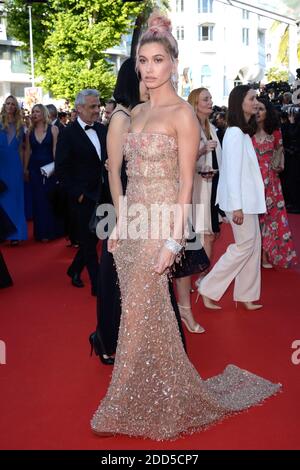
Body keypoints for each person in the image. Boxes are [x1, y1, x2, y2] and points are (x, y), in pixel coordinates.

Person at [90, 15, 280, 440]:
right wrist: (119, 220)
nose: (149, 68)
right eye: (142, 60)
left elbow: (185, 184)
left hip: (162, 226)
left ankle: (122, 400)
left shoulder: (182, 116)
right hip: (133, 224)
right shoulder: (133, 114)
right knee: (143, 315)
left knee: (140, 315)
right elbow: (117, 172)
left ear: (174, 63)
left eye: (158, 59)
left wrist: (174, 241)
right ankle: (159, 389)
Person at [90, 57, 186, 365]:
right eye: (143, 73)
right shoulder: (121, 117)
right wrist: (124, 219)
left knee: (143, 283)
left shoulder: (140, 114)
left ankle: (156, 350)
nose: (150, 77)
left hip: (146, 210)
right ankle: (108, 339)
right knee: (117, 281)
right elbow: (115, 173)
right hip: (125, 212)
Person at [197, 85, 267, 310]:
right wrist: (236, 207)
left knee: (253, 246)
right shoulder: (236, 133)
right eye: (252, 98)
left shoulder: (241, 132)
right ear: (241, 102)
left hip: (248, 202)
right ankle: (207, 286)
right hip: (241, 204)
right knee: (244, 247)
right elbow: (233, 173)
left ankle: (246, 295)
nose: (256, 102)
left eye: (256, 98)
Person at [55, 90, 107, 296]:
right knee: (88, 240)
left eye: (97, 106)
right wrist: (78, 194)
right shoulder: (67, 134)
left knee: (97, 239)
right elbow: (61, 168)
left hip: (104, 194)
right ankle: (97, 284)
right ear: (79, 109)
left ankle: (75, 269)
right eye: (92, 107)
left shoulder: (103, 130)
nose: (97, 110)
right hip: (83, 197)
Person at [252, 97, 297, 269]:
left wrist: (279, 166)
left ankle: (268, 254)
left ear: (267, 112)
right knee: (256, 221)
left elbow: (281, 157)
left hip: (271, 183)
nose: (257, 112)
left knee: (271, 220)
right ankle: (257, 255)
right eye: (255, 109)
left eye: (261, 109)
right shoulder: (247, 132)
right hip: (254, 183)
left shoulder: (275, 132)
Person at [24, 104, 63, 242]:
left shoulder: (53, 129)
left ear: (43, 113)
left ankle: (51, 231)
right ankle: (40, 232)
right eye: (33, 112)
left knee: (49, 199)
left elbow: (55, 150)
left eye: (37, 111)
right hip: (35, 168)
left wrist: (56, 169)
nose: (34, 114)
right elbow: (28, 151)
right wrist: (25, 169)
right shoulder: (29, 131)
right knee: (38, 200)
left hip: (49, 169)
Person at [0, 95, 27, 244]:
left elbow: (24, 150)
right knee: (2, 200)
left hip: (15, 166)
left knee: (15, 199)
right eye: (8, 103)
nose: (10, 106)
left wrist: (25, 168)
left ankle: (16, 235)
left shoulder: (21, 125)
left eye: (12, 104)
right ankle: (3, 233)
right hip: (1, 165)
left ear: (16, 107)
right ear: (4, 106)